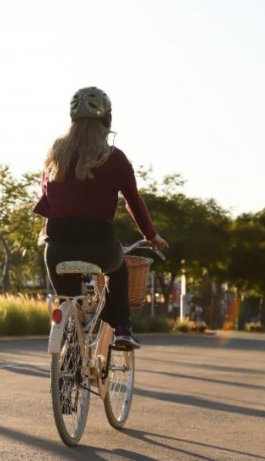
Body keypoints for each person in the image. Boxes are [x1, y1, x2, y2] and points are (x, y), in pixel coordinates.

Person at [33, 86, 168, 349]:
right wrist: (151, 236)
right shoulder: (114, 158)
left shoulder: (54, 156)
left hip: (57, 248)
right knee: (118, 270)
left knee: (67, 300)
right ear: (107, 120)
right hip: (100, 248)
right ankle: (122, 329)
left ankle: (70, 345)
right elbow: (133, 202)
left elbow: (46, 196)